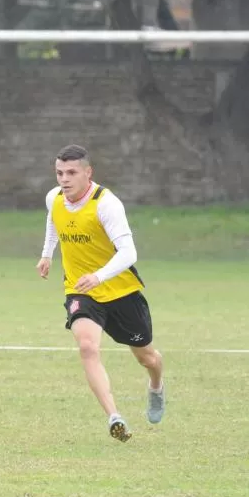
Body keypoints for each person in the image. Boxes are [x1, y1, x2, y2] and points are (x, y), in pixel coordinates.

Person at [37, 144, 165, 442]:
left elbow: (129, 253)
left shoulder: (107, 204)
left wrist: (99, 276)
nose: (64, 179)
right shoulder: (54, 198)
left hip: (121, 291)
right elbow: (53, 219)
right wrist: (47, 254)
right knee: (87, 348)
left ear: (87, 172)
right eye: (59, 173)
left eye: (71, 173)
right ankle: (114, 417)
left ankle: (156, 386)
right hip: (81, 290)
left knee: (148, 358)